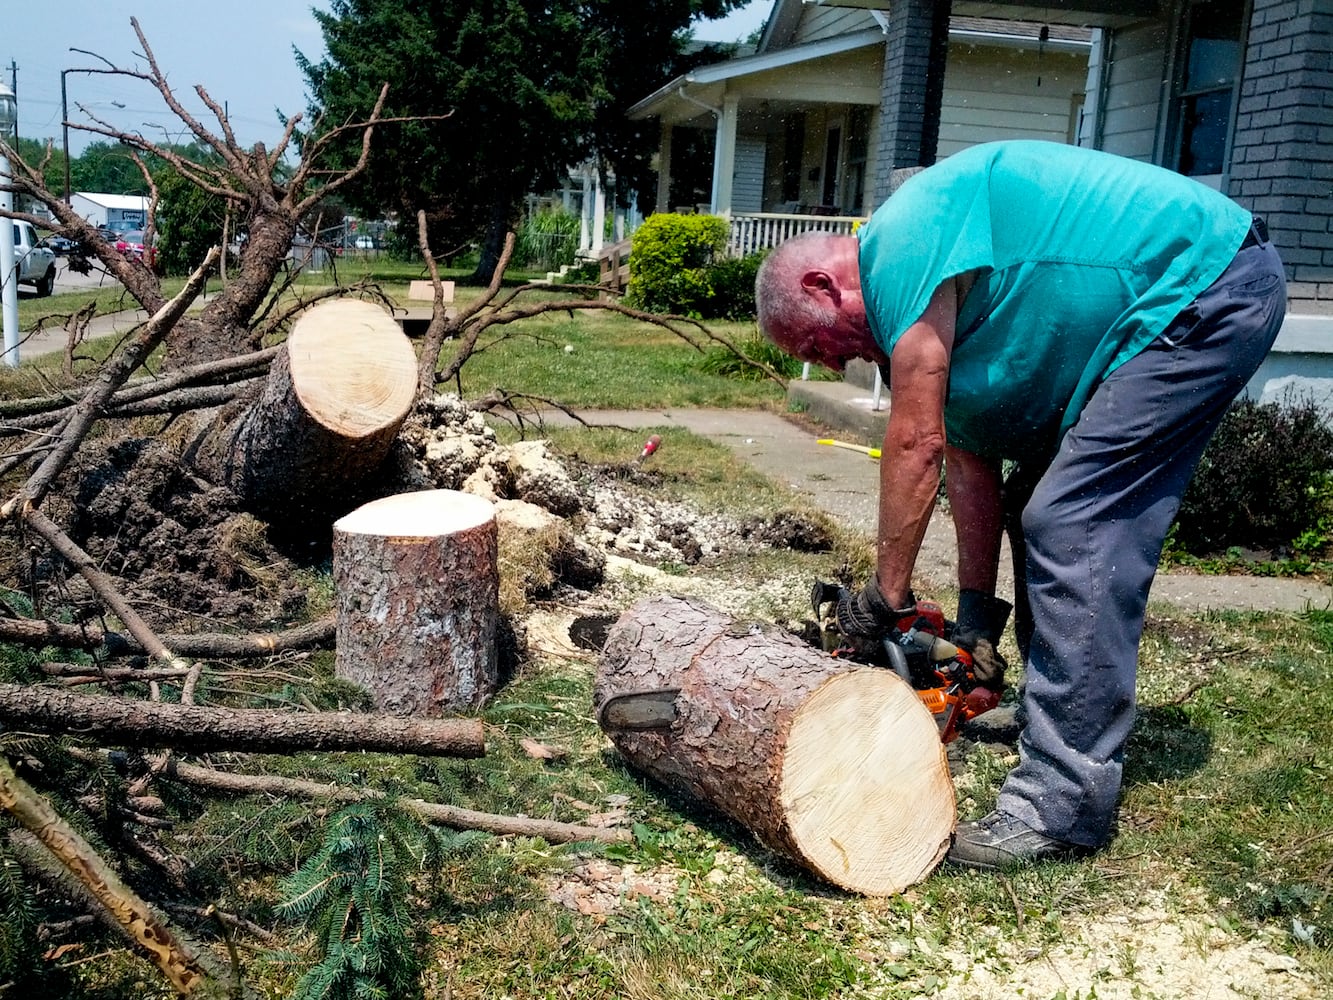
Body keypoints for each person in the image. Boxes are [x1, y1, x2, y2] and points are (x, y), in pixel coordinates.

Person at [755, 140, 1286, 870]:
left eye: (819, 347)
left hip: (1205, 285)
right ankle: (1052, 710)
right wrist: (974, 629)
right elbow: (966, 468)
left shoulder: (899, 248)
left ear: (823, 285)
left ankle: (1060, 803)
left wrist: (886, 597)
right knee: (1038, 497)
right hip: (1178, 299)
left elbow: (914, 447)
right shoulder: (938, 305)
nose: (833, 365)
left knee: (1074, 518)